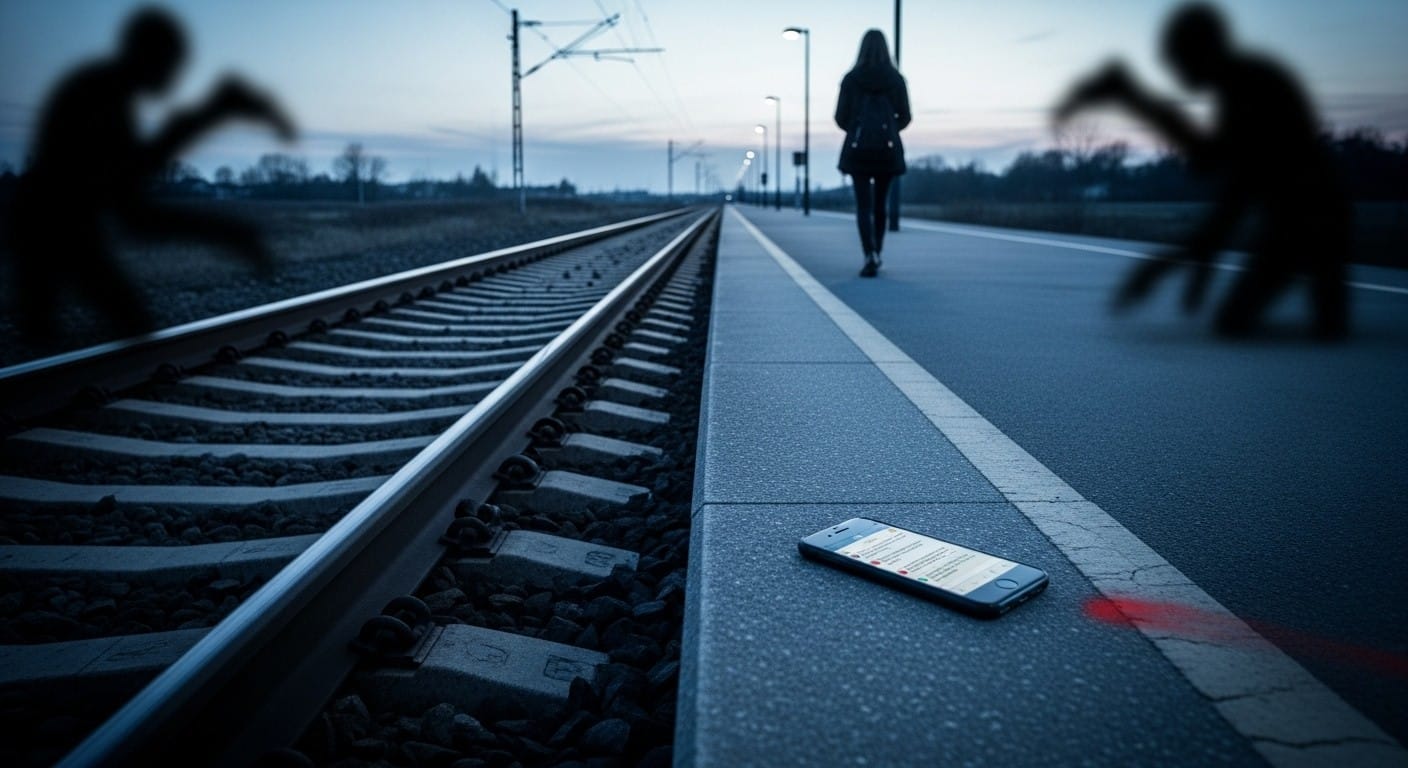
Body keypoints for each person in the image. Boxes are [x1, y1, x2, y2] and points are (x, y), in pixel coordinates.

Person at [1055, 2, 1350, 339]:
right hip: (1294, 217)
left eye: (1180, 60)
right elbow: (1226, 178)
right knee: (1247, 322)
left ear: (1201, 51)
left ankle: (1126, 89)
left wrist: (1171, 264)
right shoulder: (1241, 86)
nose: (1178, 72)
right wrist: (1192, 260)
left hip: (1314, 218)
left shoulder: (1253, 87)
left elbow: (1228, 181)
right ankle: (1126, 90)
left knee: (1319, 329)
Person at [6, 6, 295, 342]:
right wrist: (208, 116)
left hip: (61, 224)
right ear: (148, 55)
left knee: (107, 333)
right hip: (49, 225)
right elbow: (131, 200)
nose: (173, 75)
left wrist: (206, 117)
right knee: (76, 339)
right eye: (171, 63)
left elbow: (130, 191)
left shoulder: (105, 93)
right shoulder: (97, 96)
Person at [835, 29, 911, 278]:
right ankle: (877, 251)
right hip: (887, 153)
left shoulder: (851, 79)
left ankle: (868, 253)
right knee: (880, 205)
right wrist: (888, 130)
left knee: (863, 206)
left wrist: (858, 131)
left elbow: (840, 117)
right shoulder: (896, 79)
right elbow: (906, 116)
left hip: (858, 152)